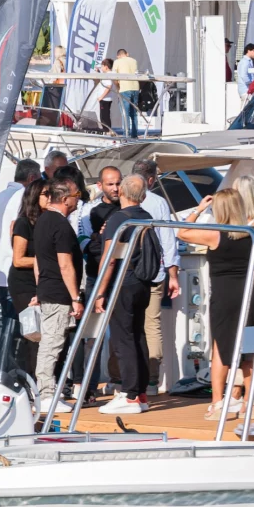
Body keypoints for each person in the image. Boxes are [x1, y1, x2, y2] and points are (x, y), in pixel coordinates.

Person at [178, 189, 254, 420]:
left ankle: (218, 403)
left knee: (221, 347)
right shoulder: (253, 234)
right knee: (248, 350)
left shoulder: (214, 234)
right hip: (246, 295)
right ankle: (249, 404)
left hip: (224, 297)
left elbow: (182, 232)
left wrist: (198, 210)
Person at [95, 174, 158, 415]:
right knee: (138, 335)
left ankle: (129, 395)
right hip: (142, 282)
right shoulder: (146, 216)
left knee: (122, 338)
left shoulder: (119, 219)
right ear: (142, 196)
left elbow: (110, 259)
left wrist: (100, 292)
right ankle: (140, 392)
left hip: (123, 282)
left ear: (121, 191)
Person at [31, 178, 84, 406]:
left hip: (48, 289)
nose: (77, 201)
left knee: (52, 343)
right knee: (51, 345)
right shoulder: (60, 225)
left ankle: (48, 392)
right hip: (58, 293)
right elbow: (65, 264)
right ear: (64, 199)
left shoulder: (42, 221)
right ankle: (46, 394)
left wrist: (39, 287)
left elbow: (37, 262)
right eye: (76, 197)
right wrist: (75, 297)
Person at [132, 157, 181, 392]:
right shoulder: (158, 202)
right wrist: (173, 274)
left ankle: (120, 377)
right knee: (152, 324)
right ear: (151, 179)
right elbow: (167, 240)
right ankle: (152, 379)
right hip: (155, 272)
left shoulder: (121, 197)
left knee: (126, 323)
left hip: (127, 272)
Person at [0, 158, 41, 318]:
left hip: (1, 269)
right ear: (31, 179)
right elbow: (15, 226)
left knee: (8, 323)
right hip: (19, 272)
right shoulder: (24, 197)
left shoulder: (1, 196)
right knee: (23, 326)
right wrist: (14, 249)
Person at [7, 179, 46, 372]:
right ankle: (31, 382)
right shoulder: (23, 223)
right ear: (34, 197)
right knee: (32, 333)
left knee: (44, 334)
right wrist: (46, 260)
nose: (50, 198)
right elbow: (18, 259)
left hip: (43, 281)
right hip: (23, 283)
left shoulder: (48, 221)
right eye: (46, 194)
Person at [113, 48, 141, 138]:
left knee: (125, 113)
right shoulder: (134, 61)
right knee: (134, 113)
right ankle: (134, 134)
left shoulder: (117, 62)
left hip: (124, 88)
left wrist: (117, 87)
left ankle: (126, 134)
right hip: (135, 87)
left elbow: (114, 77)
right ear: (127, 54)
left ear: (118, 56)